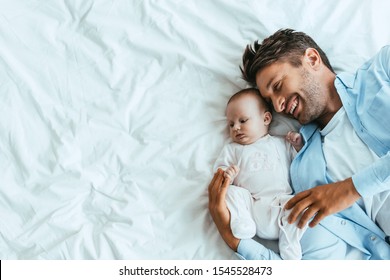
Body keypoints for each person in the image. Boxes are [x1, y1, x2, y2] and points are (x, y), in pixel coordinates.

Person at [208, 28, 390, 259]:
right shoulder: (304, 172)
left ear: (312, 59)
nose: (278, 106)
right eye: (269, 101)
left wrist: (349, 189)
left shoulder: (382, 70)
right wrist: (233, 237)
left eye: (277, 86)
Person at [213, 88, 304, 259]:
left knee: (301, 204)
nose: (236, 128)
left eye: (243, 120)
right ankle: (242, 222)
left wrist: (297, 146)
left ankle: (289, 243)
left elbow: (299, 164)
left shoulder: (279, 143)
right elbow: (219, 172)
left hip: (282, 206)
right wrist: (228, 175)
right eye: (231, 124)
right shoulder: (233, 149)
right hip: (253, 209)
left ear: (266, 118)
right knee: (230, 192)